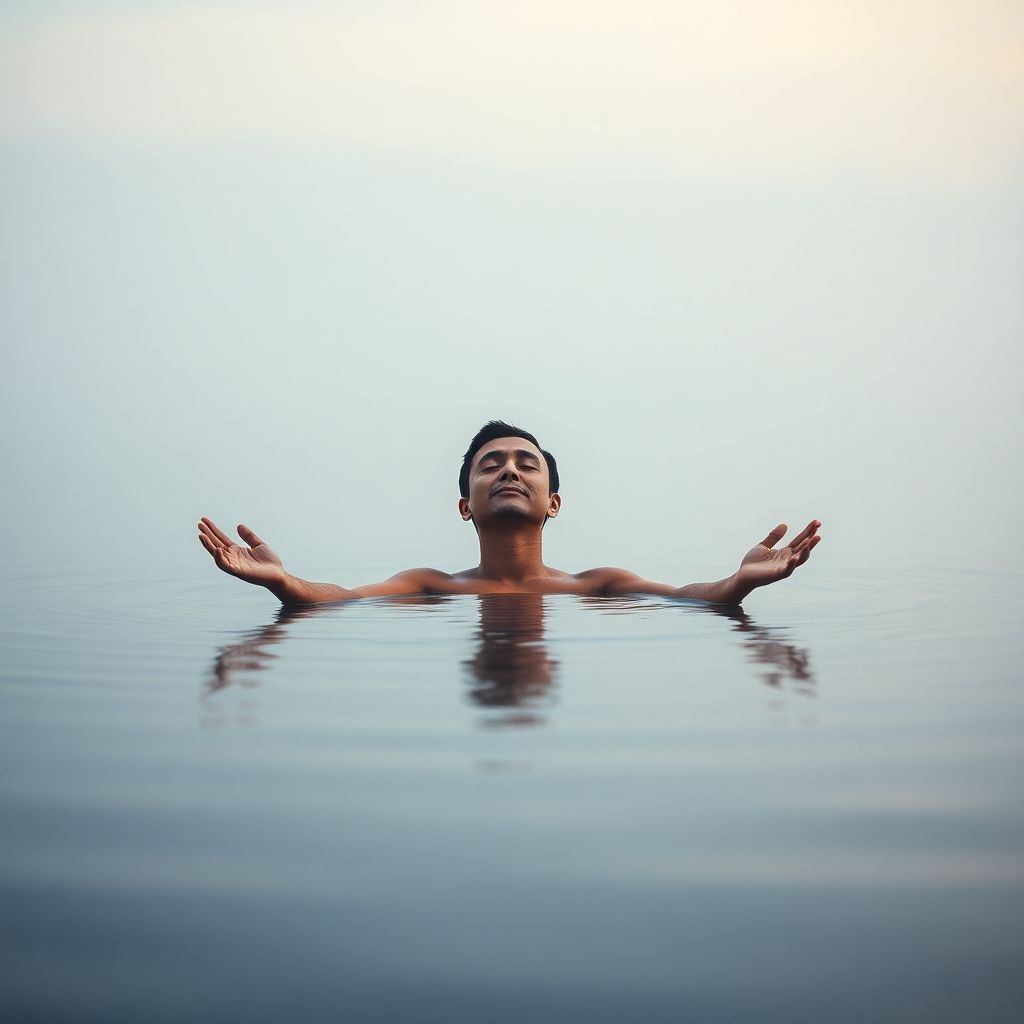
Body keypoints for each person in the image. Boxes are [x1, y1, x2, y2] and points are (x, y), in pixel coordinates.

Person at [197, 420, 821, 606]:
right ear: (466, 504)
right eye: (491, 463)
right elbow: (344, 598)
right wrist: (284, 583)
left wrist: (739, 582)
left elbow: (691, 597)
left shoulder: (597, 586)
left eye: (527, 462)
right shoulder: (431, 587)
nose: (510, 470)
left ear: (553, 501)